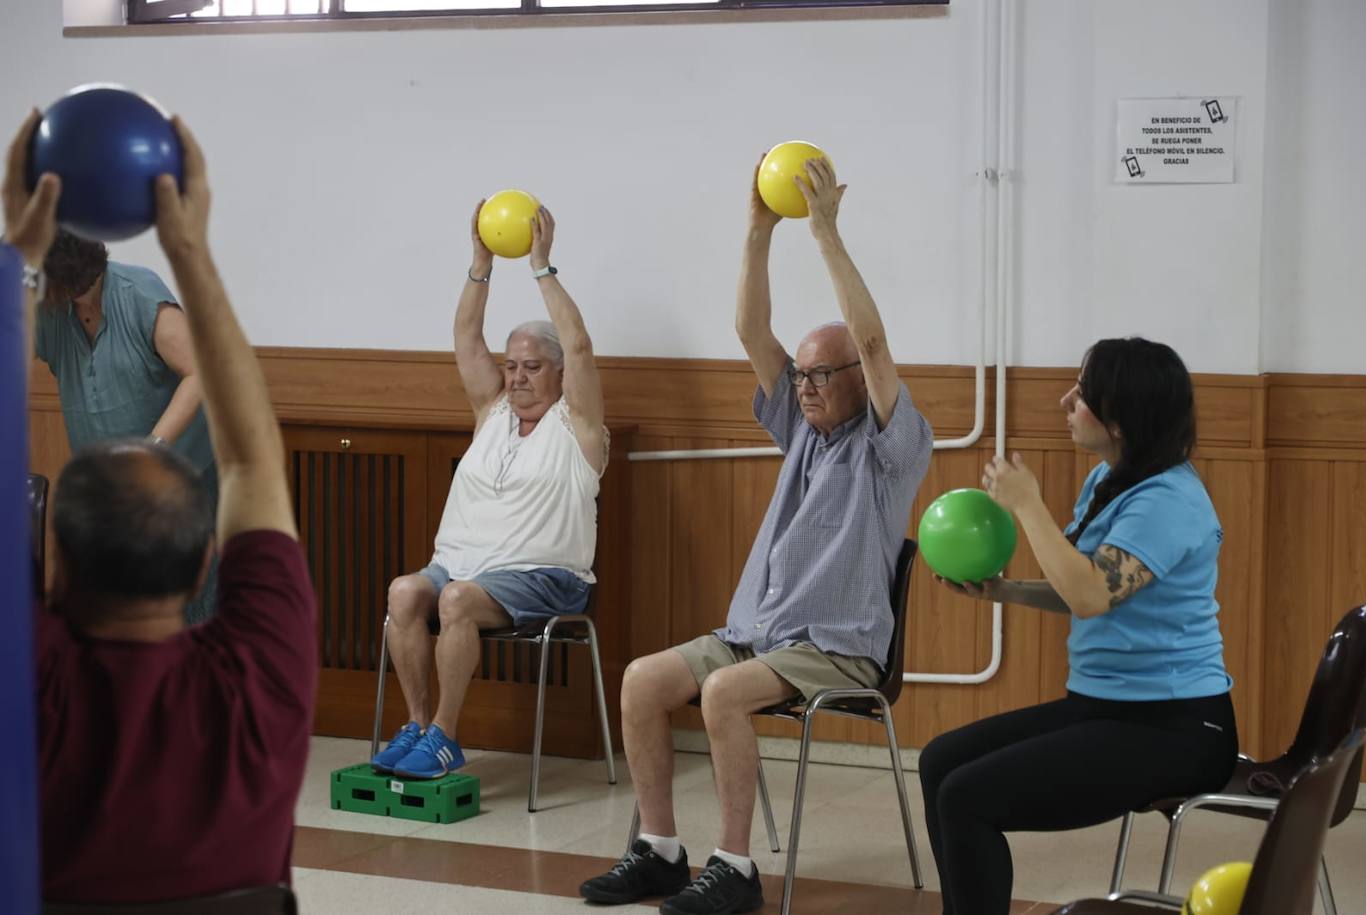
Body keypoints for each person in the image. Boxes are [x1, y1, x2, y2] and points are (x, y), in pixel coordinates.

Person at [580, 158, 933, 915]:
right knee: (643, 679)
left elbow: (871, 343)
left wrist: (825, 232)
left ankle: (735, 868)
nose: (802, 387)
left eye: (819, 376)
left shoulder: (890, 447)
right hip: (760, 632)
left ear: (853, 380)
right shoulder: (799, 428)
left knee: (724, 692)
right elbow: (750, 328)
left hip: (836, 642)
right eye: (798, 376)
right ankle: (661, 851)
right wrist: (757, 231)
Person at [3, 110, 318, 903]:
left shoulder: (28, 686)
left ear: (54, 564)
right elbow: (254, 462)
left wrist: (15, 254)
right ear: (207, 553)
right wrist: (195, 246)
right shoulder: (264, 680)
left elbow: (222, 431)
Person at [919, 337, 1237, 915]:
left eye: (1084, 393)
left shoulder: (1170, 500)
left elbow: (1092, 594)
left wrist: (1027, 505)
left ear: (1122, 419)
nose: (1066, 400)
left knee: (966, 797)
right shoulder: (1110, 480)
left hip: (1176, 729)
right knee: (940, 761)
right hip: (1103, 707)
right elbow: (1084, 584)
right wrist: (1005, 590)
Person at [370, 202, 607, 780]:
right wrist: (480, 263)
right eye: (512, 366)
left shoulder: (580, 429)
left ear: (557, 374)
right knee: (405, 593)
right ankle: (420, 725)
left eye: (532, 367)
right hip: (459, 565)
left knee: (455, 602)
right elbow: (464, 335)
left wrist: (541, 266)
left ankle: (448, 736)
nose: (518, 377)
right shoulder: (492, 411)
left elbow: (579, 346)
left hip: (545, 578)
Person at [33, 226, 218, 623]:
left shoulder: (138, 294)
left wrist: (152, 447)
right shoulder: (48, 308)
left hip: (178, 482)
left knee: (183, 606)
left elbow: (200, 372)